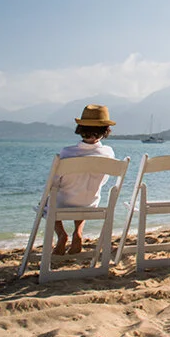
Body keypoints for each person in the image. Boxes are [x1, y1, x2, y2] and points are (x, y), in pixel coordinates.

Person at [52, 104, 116, 256]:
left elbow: (54, 183)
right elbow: (104, 180)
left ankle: (61, 234)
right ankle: (78, 233)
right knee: (84, 195)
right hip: (90, 203)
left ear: (81, 129)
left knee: (48, 203)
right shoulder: (108, 153)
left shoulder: (67, 152)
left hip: (62, 205)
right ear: (105, 131)